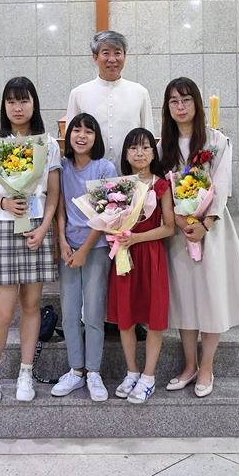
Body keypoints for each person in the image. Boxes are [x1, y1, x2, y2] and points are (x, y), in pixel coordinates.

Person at [160, 77, 239, 398]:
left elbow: (222, 184)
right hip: (179, 232)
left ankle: (206, 366)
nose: (180, 107)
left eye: (186, 100)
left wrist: (206, 223)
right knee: (185, 298)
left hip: (211, 231)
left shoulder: (216, 141)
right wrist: (176, 218)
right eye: (174, 101)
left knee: (211, 296)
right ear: (167, 107)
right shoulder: (163, 147)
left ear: (197, 103)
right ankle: (189, 365)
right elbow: (161, 189)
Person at [0, 77, 61, 403]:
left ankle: (25, 373)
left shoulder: (47, 143)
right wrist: (4, 203)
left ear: (34, 104)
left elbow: (53, 193)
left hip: (36, 227)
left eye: (24, 100)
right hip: (3, 226)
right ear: (4, 106)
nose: (17, 107)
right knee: (4, 310)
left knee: (32, 305)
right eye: (11, 101)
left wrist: (45, 227)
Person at [51, 113, 117, 402]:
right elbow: (60, 207)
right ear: (69, 136)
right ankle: (75, 370)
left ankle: (93, 372)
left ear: (96, 137)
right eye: (76, 130)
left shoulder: (104, 167)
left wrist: (85, 249)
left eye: (88, 131)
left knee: (92, 312)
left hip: (96, 248)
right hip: (69, 249)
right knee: (69, 313)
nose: (81, 135)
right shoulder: (62, 166)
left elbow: (105, 212)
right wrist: (62, 242)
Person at [107, 128, 175, 403]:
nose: (140, 153)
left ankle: (149, 376)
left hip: (151, 255)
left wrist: (136, 238)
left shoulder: (161, 185)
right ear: (126, 154)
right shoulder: (118, 186)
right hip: (125, 257)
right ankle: (132, 372)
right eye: (134, 148)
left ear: (153, 153)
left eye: (146, 147)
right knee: (126, 318)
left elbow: (169, 227)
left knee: (153, 318)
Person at [65, 30, 154, 170]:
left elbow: (148, 137)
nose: (112, 59)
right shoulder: (78, 93)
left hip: (131, 174)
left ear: (125, 56)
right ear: (95, 57)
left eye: (117, 53)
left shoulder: (140, 92)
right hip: (91, 175)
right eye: (106, 53)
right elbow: (71, 139)